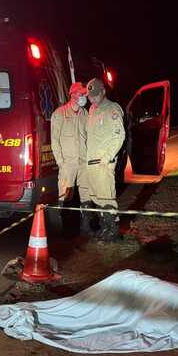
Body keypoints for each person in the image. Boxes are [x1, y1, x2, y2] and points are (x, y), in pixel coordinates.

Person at [84, 78, 125, 242]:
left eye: (94, 95)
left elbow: (119, 136)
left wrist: (107, 157)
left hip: (103, 163)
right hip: (91, 163)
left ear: (103, 92)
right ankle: (104, 226)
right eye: (89, 96)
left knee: (107, 196)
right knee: (96, 197)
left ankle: (113, 231)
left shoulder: (112, 109)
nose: (92, 99)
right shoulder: (92, 110)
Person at [51, 82, 94, 234]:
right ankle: (64, 229)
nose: (83, 97)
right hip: (67, 164)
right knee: (66, 195)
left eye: (84, 94)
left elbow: (88, 136)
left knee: (86, 193)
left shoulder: (85, 113)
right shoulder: (59, 113)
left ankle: (85, 226)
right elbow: (54, 140)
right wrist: (61, 162)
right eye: (81, 94)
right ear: (73, 95)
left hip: (83, 162)